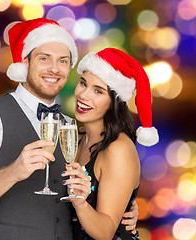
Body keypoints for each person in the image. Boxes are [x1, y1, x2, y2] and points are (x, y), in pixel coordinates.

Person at [0, 18, 139, 239]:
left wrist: (126, 208)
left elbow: (102, 189)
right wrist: (13, 172)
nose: (54, 69)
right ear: (26, 62)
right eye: (44, 58)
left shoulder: (70, 127)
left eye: (63, 61)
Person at [62, 48, 159, 239]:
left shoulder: (118, 149)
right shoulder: (75, 137)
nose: (83, 95)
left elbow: (106, 232)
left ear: (114, 101)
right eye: (83, 84)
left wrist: (80, 203)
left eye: (98, 91)